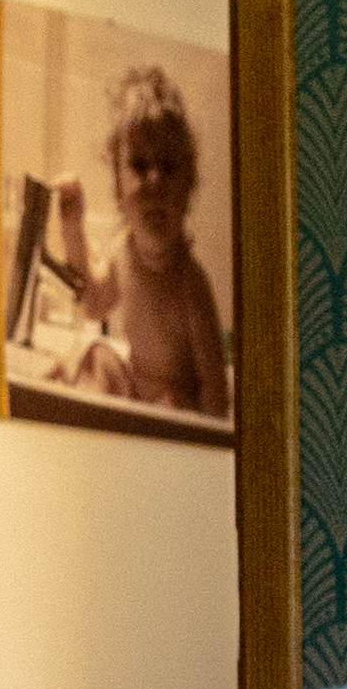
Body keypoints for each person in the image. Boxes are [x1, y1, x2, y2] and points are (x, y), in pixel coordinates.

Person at [36, 61, 232, 420]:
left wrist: (202, 450)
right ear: (118, 187)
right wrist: (73, 227)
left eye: (169, 167)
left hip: (174, 413)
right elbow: (93, 303)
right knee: (97, 357)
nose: (154, 180)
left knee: (175, 403)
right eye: (139, 165)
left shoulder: (190, 284)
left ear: (188, 187)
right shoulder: (124, 254)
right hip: (138, 397)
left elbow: (215, 387)